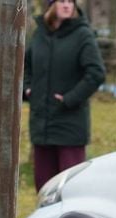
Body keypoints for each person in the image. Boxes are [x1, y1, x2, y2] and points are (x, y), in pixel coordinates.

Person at [23, 0, 105, 191]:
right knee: (44, 188)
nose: (67, 5)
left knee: (69, 188)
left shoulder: (83, 35)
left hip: (70, 126)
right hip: (41, 125)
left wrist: (69, 99)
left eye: (71, 1)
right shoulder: (39, 34)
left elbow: (96, 73)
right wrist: (27, 89)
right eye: (62, 1)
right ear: (51, 5)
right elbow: (26, 66)